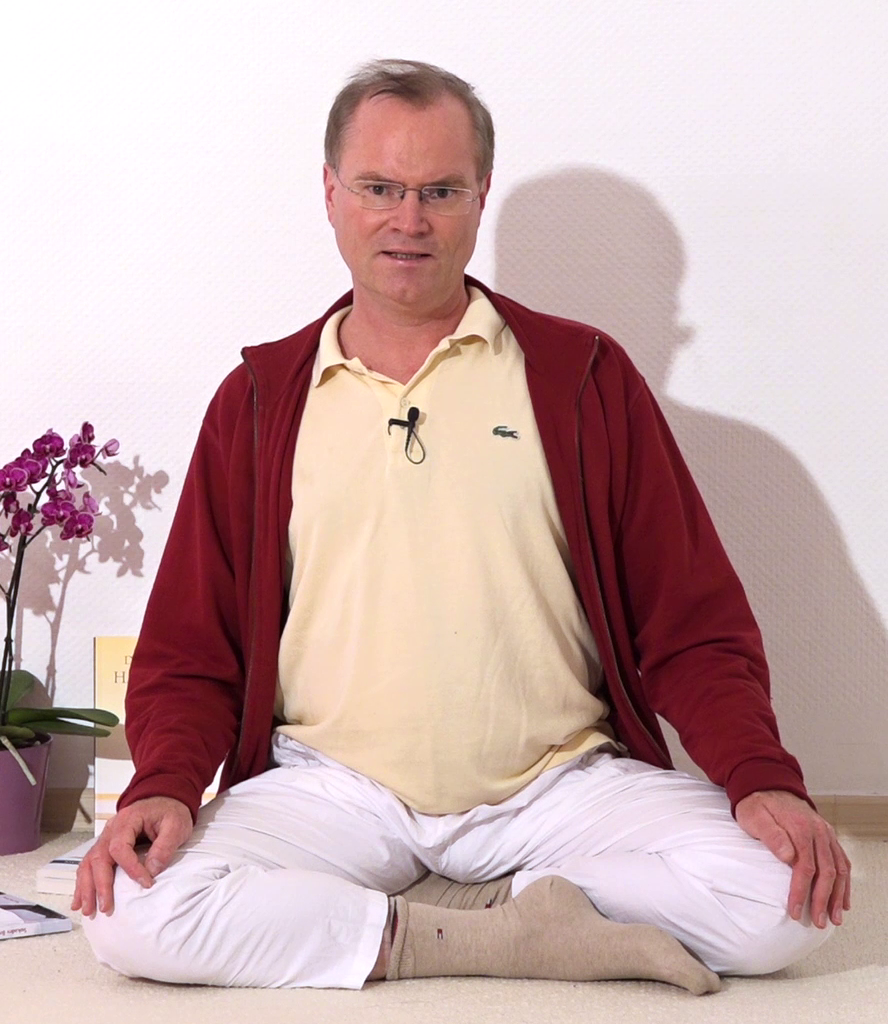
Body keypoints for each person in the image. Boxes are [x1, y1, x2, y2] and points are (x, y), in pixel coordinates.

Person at [74, 59, 850, 994]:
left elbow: (690, 623)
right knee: (126, 915)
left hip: (554, 788)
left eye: (440, 191)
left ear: (480, 196)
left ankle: (422, 912)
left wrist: (760, 775)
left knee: (785, 899)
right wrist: (163, 784)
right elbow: (192, 648)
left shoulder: (584, 378)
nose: (409, 219)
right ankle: (490, 932)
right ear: (330, 194)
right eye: (380, 188)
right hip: (333, 790)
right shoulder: (259, 400)